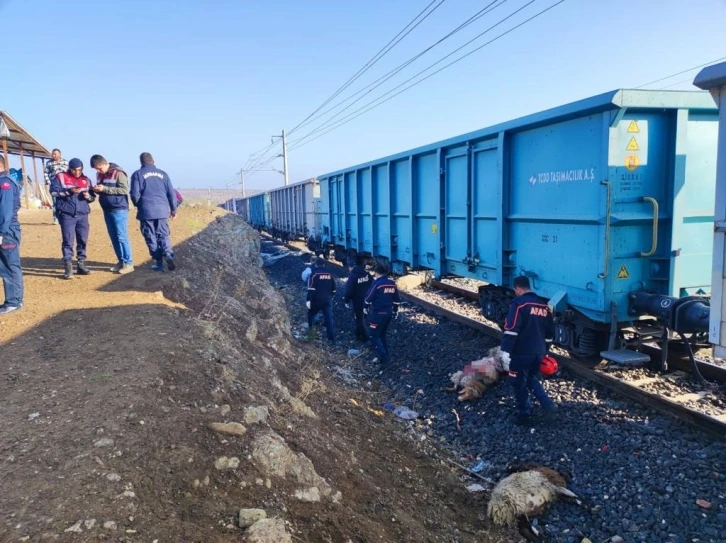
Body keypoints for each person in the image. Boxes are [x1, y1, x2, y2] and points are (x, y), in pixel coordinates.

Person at [500, 276, 557, 426]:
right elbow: (550, 333)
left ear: (518, 289)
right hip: (538, 352)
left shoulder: (518, 305)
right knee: (531, 379)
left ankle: (524, 415)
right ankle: (548, 405)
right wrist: (545, 350)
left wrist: (505, 351)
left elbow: (512, 329)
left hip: (521, 353)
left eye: (515, 291)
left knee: (518, 382)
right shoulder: (544, 306)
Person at [130, 152, 178, 272]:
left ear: (141, 162)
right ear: (154, 161)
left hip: (146, 211)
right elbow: (172, 194)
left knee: (150, 236)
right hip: (162, 210)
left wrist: (139, 205)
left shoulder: (137, 174)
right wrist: (173, 209)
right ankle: (167, 253)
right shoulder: (163, 174)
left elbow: (134, 194)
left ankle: (159, 262)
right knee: (163, 234)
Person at [49, 158, 96, 279]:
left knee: (82, 240)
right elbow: (53, 192)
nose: (77, 172)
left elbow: (92, 198)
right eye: (74, 170)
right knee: (68, 241)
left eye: (79, 170)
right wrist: (69, 191)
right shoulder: (60, 177)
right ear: (69, 168)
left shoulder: (86, 180)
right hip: (67, 215)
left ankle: (81, 264)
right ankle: (68, 267)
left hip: (82, 215)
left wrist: (88, 196)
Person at [90, 155, 134, 274]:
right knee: (113, 237)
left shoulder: (118, 173)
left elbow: (124, 190)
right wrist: (96, 189)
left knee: (121, 236)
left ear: (104, 163)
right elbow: (102, 188)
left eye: (99, 168)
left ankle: (128, 263)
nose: (98, 171)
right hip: (107, 209)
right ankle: (121, 261)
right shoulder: (99, 174)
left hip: (119, 209)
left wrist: (105, 189)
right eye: (96, 170)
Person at [363, 264, 401, 365]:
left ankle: (385, 359)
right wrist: (395, 311)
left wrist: (365, 308)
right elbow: (397, 300)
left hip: (378, 314)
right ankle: (385, 355)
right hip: (388, 314)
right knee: (382, 335)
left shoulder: (377, 284)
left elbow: (369, 298)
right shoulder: (392, 284)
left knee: (373, 335)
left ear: (376, 273)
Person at [0, 156, 23, 315]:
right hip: (6, 228)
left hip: (6, 230)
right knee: (5, 265)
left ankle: (14, 301)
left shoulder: (5, 183)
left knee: (9, 265)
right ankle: (13, 300)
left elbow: (6, 210)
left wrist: (1, 231)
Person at [306, 258, 336, 343]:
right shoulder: (330, 274)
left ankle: (311, 334)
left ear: (316, 265)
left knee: (311, 315)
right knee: (329, 319)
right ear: (324, 264)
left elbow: (310, 289)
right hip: (327, 299)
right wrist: (331, 297)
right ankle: (331, 339)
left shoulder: (314, 274)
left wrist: (308, 300)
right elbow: (334, 289)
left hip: (316, 300)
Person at [343, 256, 372, 341]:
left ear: (351, 267)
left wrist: (346, 300)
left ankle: (364, 337)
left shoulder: (353, 276)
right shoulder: (366, 274)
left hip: (358, 302)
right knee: (363, 317)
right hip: (367, 300)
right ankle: (358, 334)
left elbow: (349, 290)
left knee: (359, 318)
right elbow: (372, 284)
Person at [44, 149, 69, 225]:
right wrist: (49, 182)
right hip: (54, 186)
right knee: (55, 203)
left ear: (59, 154)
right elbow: (46, 173)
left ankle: (65, 218)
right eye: (53, 154)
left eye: (55, 154)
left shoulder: (65, 162)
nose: (53, 155)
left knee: (65, 201)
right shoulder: (49, 163)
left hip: (64, 186)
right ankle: (56, 219)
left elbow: (69, 173)